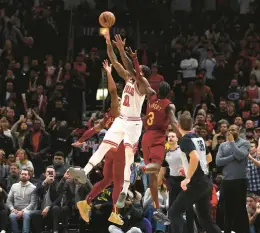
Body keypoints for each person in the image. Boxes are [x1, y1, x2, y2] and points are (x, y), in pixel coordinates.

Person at [69, 32, 154, 208]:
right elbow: (115, 61)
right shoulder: (128, 78)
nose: (132, 72)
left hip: (134, 123)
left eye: (137, 71)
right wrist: (110, 44)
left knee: (129, 156)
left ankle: (124, 191)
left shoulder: (143, 86)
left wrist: (126, 53)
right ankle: (84, 172)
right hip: (122, 119)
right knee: (104, 145)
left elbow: (132, 68)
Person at [71, 59, 125, 225]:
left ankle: (86, 202)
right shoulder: (117, 111)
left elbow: (92, 130)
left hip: (109, 149)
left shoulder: (106, 118)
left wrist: (81, 140)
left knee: (107, 180)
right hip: (120, 148)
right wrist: (108, 73)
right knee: (119, 183)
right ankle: (115, 212)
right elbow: (113, 90)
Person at [168, 113, 221, 233]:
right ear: (192, 125)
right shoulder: (199, 138)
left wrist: (188, 176)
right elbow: (208, 159)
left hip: (196, 184)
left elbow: (195, 158)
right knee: (205, 220)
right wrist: (188, 169)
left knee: (173, 212)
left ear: (178, 125)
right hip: (206, 182)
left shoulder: (184, 140)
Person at [141, 81, 178, 224]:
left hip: (146, 137)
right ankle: (141, 169)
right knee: (154, 173)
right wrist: (185, 136)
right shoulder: (169, 105)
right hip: (157, 137)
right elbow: (174, 122)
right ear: (169, 94)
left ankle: (156, 208)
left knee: (153, 177)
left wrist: (134, 61)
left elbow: (143, 82)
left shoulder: (151, 95)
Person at [158, 131, 195, 233]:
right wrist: (158, 182)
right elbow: (163, 168)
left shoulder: (183, 150)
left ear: (177, 139)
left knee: (188, 209)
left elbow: (192, 161)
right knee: (172, 209)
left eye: (173, 136)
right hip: (173, 182)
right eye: (169, 137)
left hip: (185, 180)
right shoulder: (166, 153)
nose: (170, 138)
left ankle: (190, 230)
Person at [216, 124, 250, 233]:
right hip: (227, 181)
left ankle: (243, 231)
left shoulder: (245, 143)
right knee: (227, 209)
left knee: (240, 208)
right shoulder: (222, 145)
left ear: (239, 131)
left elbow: (240, 155)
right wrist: (232, 157)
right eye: (230, 129)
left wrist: (232, 142)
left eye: (234, 129)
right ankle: (227, 231)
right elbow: (218, 162)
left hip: (240, 180)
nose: (231, 131)